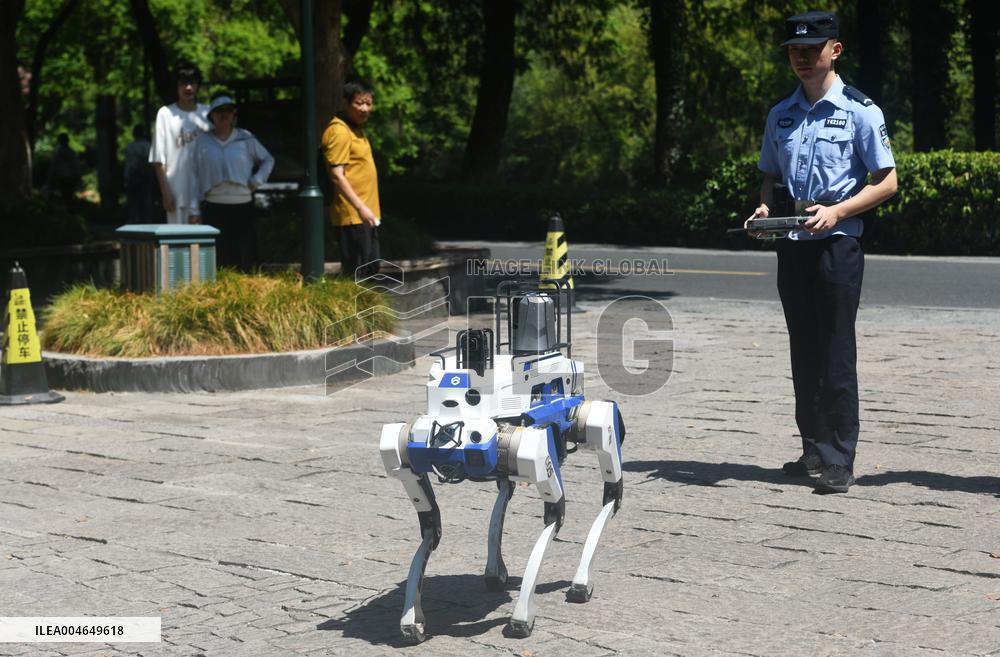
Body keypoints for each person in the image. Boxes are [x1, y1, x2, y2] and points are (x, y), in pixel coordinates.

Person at [749, 10, 898, 493]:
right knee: (804, 350)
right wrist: (764, 210)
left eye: (812, 49)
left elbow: (887, 181)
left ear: (835, 50)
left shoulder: (860, 110)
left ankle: (838, 458)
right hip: (793, 244)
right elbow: (770, 176)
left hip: (838, 244)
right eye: (795, 50)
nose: (802, 58)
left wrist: (838, 211)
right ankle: (812, 446)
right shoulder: (781, 113)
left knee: (835, 352)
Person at [190, 94, 274, 272]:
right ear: (211, 116)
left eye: (228, 111)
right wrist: (194, 209)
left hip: (242, 203)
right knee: (219, 254)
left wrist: (256, 181)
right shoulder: (202, 141)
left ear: (234, 115)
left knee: (244, 252)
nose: (224, 115)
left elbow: (268, 159)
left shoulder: (246, 138)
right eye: (219, 111)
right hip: (213, 204)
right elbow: (194, 175)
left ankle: (246, 282)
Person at [321, 79, 381, 278]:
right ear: (346, 103)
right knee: (358, 273)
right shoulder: (339, 131)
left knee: (370, 269)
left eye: (368, 103)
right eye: (359, 103)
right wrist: (360, 207)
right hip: (352, 215)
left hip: (365, 215)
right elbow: (337, 176)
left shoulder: (356, 129)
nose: (365, 109)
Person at [149, 61, 210, 224]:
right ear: (176, 86)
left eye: (192, 83)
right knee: (178, 239)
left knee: (206, 240)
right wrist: (165, 193)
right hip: (177, 194)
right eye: (183, 83)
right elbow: (158, 160)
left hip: (207, 195)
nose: (188, 88)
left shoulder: (208, 113)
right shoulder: (165, 114)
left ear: (198, 85)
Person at [123, 124, 154, 223]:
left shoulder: (130, 147)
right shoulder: (148, 145)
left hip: (134, 173)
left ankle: (134, 218)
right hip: (147, 174)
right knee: (146, 197)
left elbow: (128, 164)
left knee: (134, 199)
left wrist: (126, 177)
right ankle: (147, 219)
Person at [46, 133, 81, 206]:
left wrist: (50, 180)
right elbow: (76, 167)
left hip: (65, 178)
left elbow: (53, 167)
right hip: (66, 178)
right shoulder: (70, 153)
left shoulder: (59, 153)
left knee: (66, 198)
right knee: (67, 197)